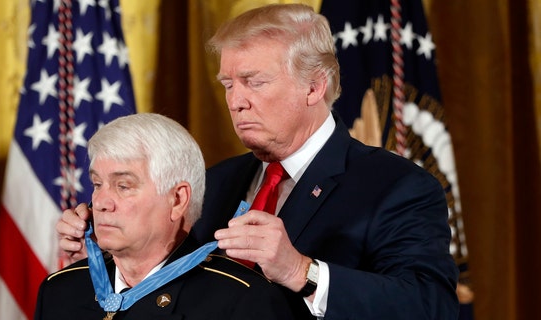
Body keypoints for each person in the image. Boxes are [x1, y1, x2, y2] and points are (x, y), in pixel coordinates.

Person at [56, 4, 459, 319]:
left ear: (314, 86)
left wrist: (302, 271)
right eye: (229, 84)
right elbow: (169, 290)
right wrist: (104, 256)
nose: (236, 101)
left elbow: (431, 307)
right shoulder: (214, 182)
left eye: (255, 82)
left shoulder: (397, 186)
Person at [35, 113, 294, 319]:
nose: (100, 202)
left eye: (123, 186)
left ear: (177, 200)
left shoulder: (242, 301)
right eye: (97, 184)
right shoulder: (61, 290)